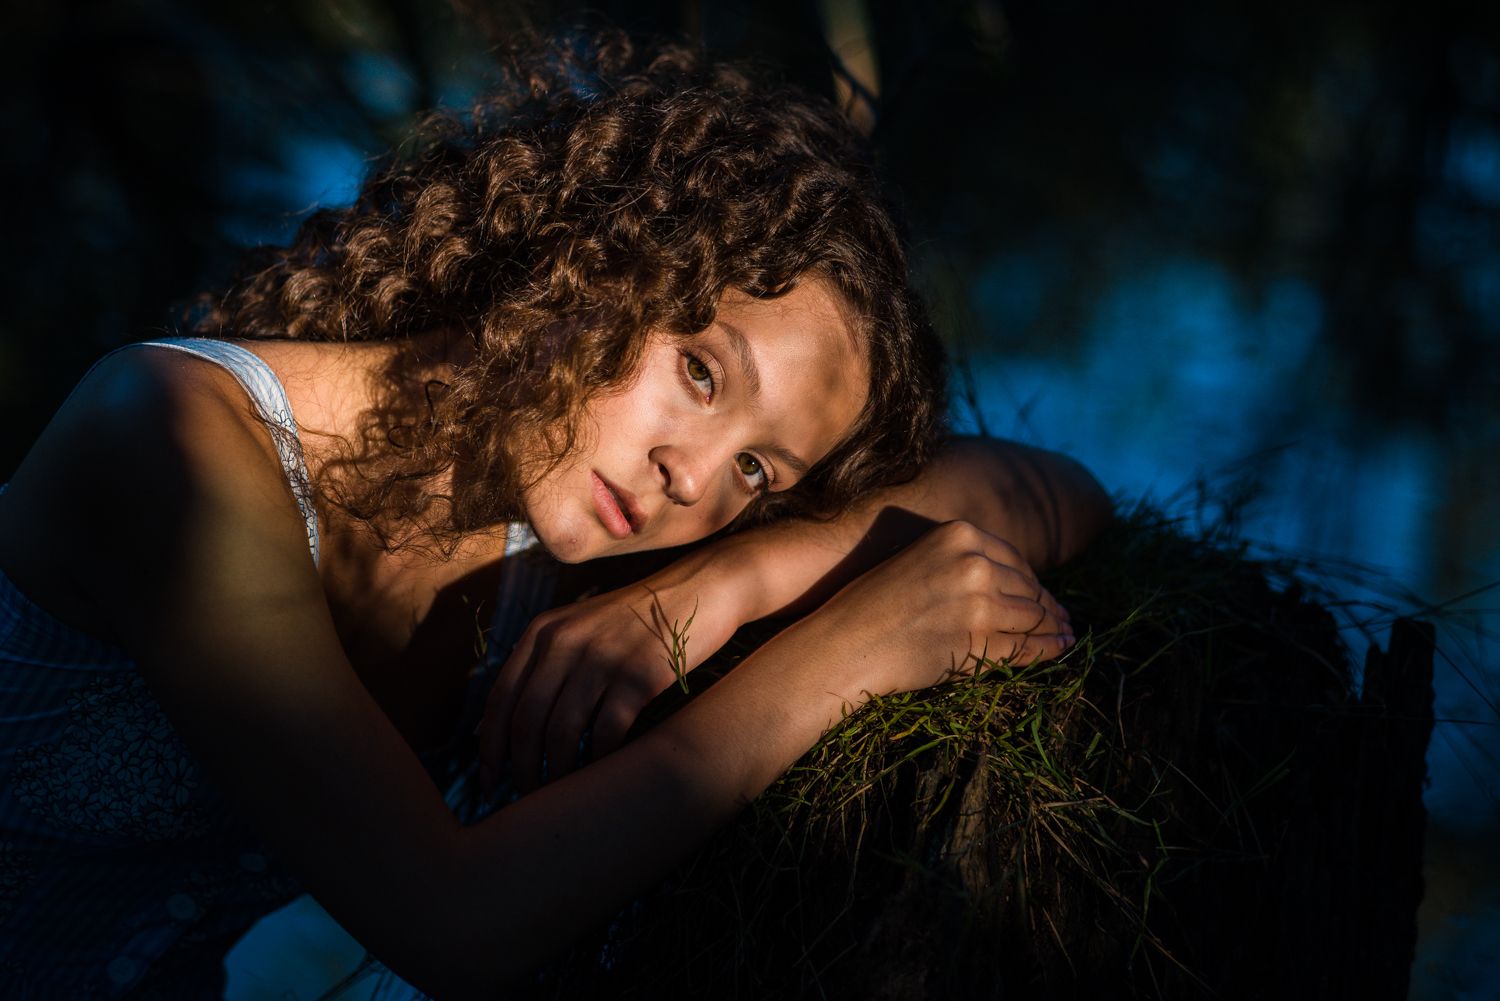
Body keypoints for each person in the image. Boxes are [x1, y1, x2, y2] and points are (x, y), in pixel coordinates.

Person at [0, 33, 1110, 1000]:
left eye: (760, 470)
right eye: (701, 372)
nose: (696, 481)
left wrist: (734, 580)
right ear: (593, 261)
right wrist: (842, 659)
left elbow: (1054, 491)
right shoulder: (168, 437)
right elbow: (453, 922)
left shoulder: (569, 535)